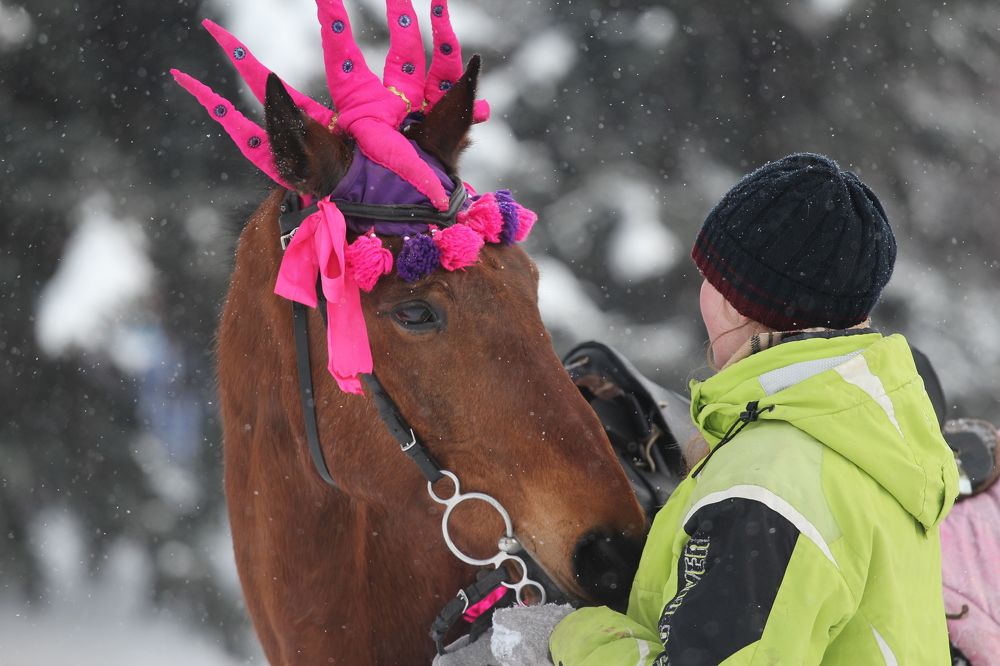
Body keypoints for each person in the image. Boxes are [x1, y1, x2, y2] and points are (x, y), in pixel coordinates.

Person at [550, 153, 960, 664]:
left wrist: (574, 633)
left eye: (709, 277)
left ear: (732, 299)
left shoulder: (769, 487)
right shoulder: (873, 439)